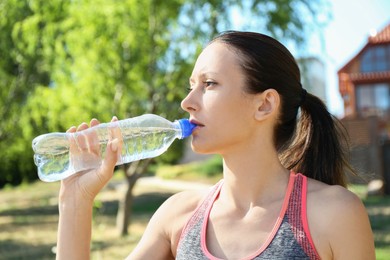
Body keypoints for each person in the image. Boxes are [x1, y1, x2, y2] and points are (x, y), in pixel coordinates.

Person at [56, 31, 375, 260]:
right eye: (191, 86)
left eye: (208, 84)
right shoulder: (178, 216)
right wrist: (76, 199)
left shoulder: (334, 214)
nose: (187, 102)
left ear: (264, 105)